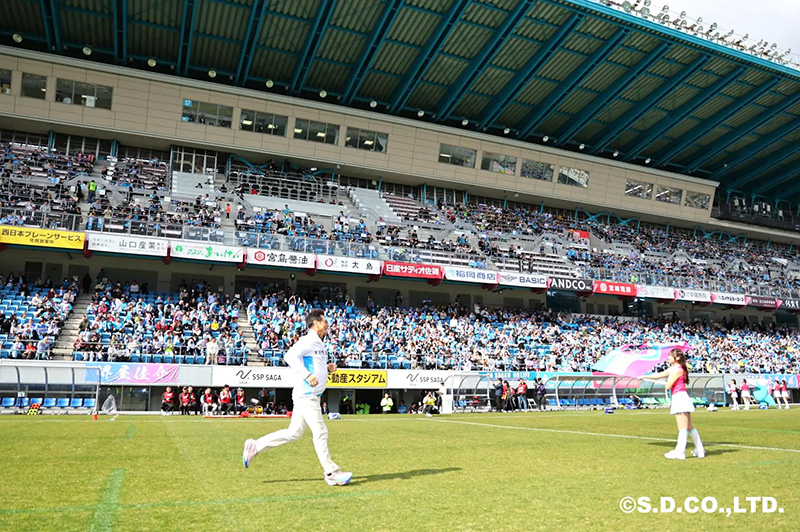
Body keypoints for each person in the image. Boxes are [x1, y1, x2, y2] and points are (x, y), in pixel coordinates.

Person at [242, 309, 352, 486]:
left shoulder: (318, 343)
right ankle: (331, 472)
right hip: (308, 395)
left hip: (308, 395)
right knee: (321, 432)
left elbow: (314, 366)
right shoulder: (309, 340)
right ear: (316, 323)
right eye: (324, 321)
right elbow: (289, 356)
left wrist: (327, 369)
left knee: (294, 433)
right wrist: (307, 375)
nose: (327, 324)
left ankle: (256, 445)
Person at [642, 348, 705, 459]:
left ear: (677, 357)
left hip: (679, 398)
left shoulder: (678, 370)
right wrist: (644, 376)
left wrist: (666, 383)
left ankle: (680, 452)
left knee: (683, 428)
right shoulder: (673, 369)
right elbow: (660, 374)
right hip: (680, 397)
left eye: (670, 356)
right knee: (689, 427)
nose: (668, 358)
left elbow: (668, 386)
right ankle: (700, 450)